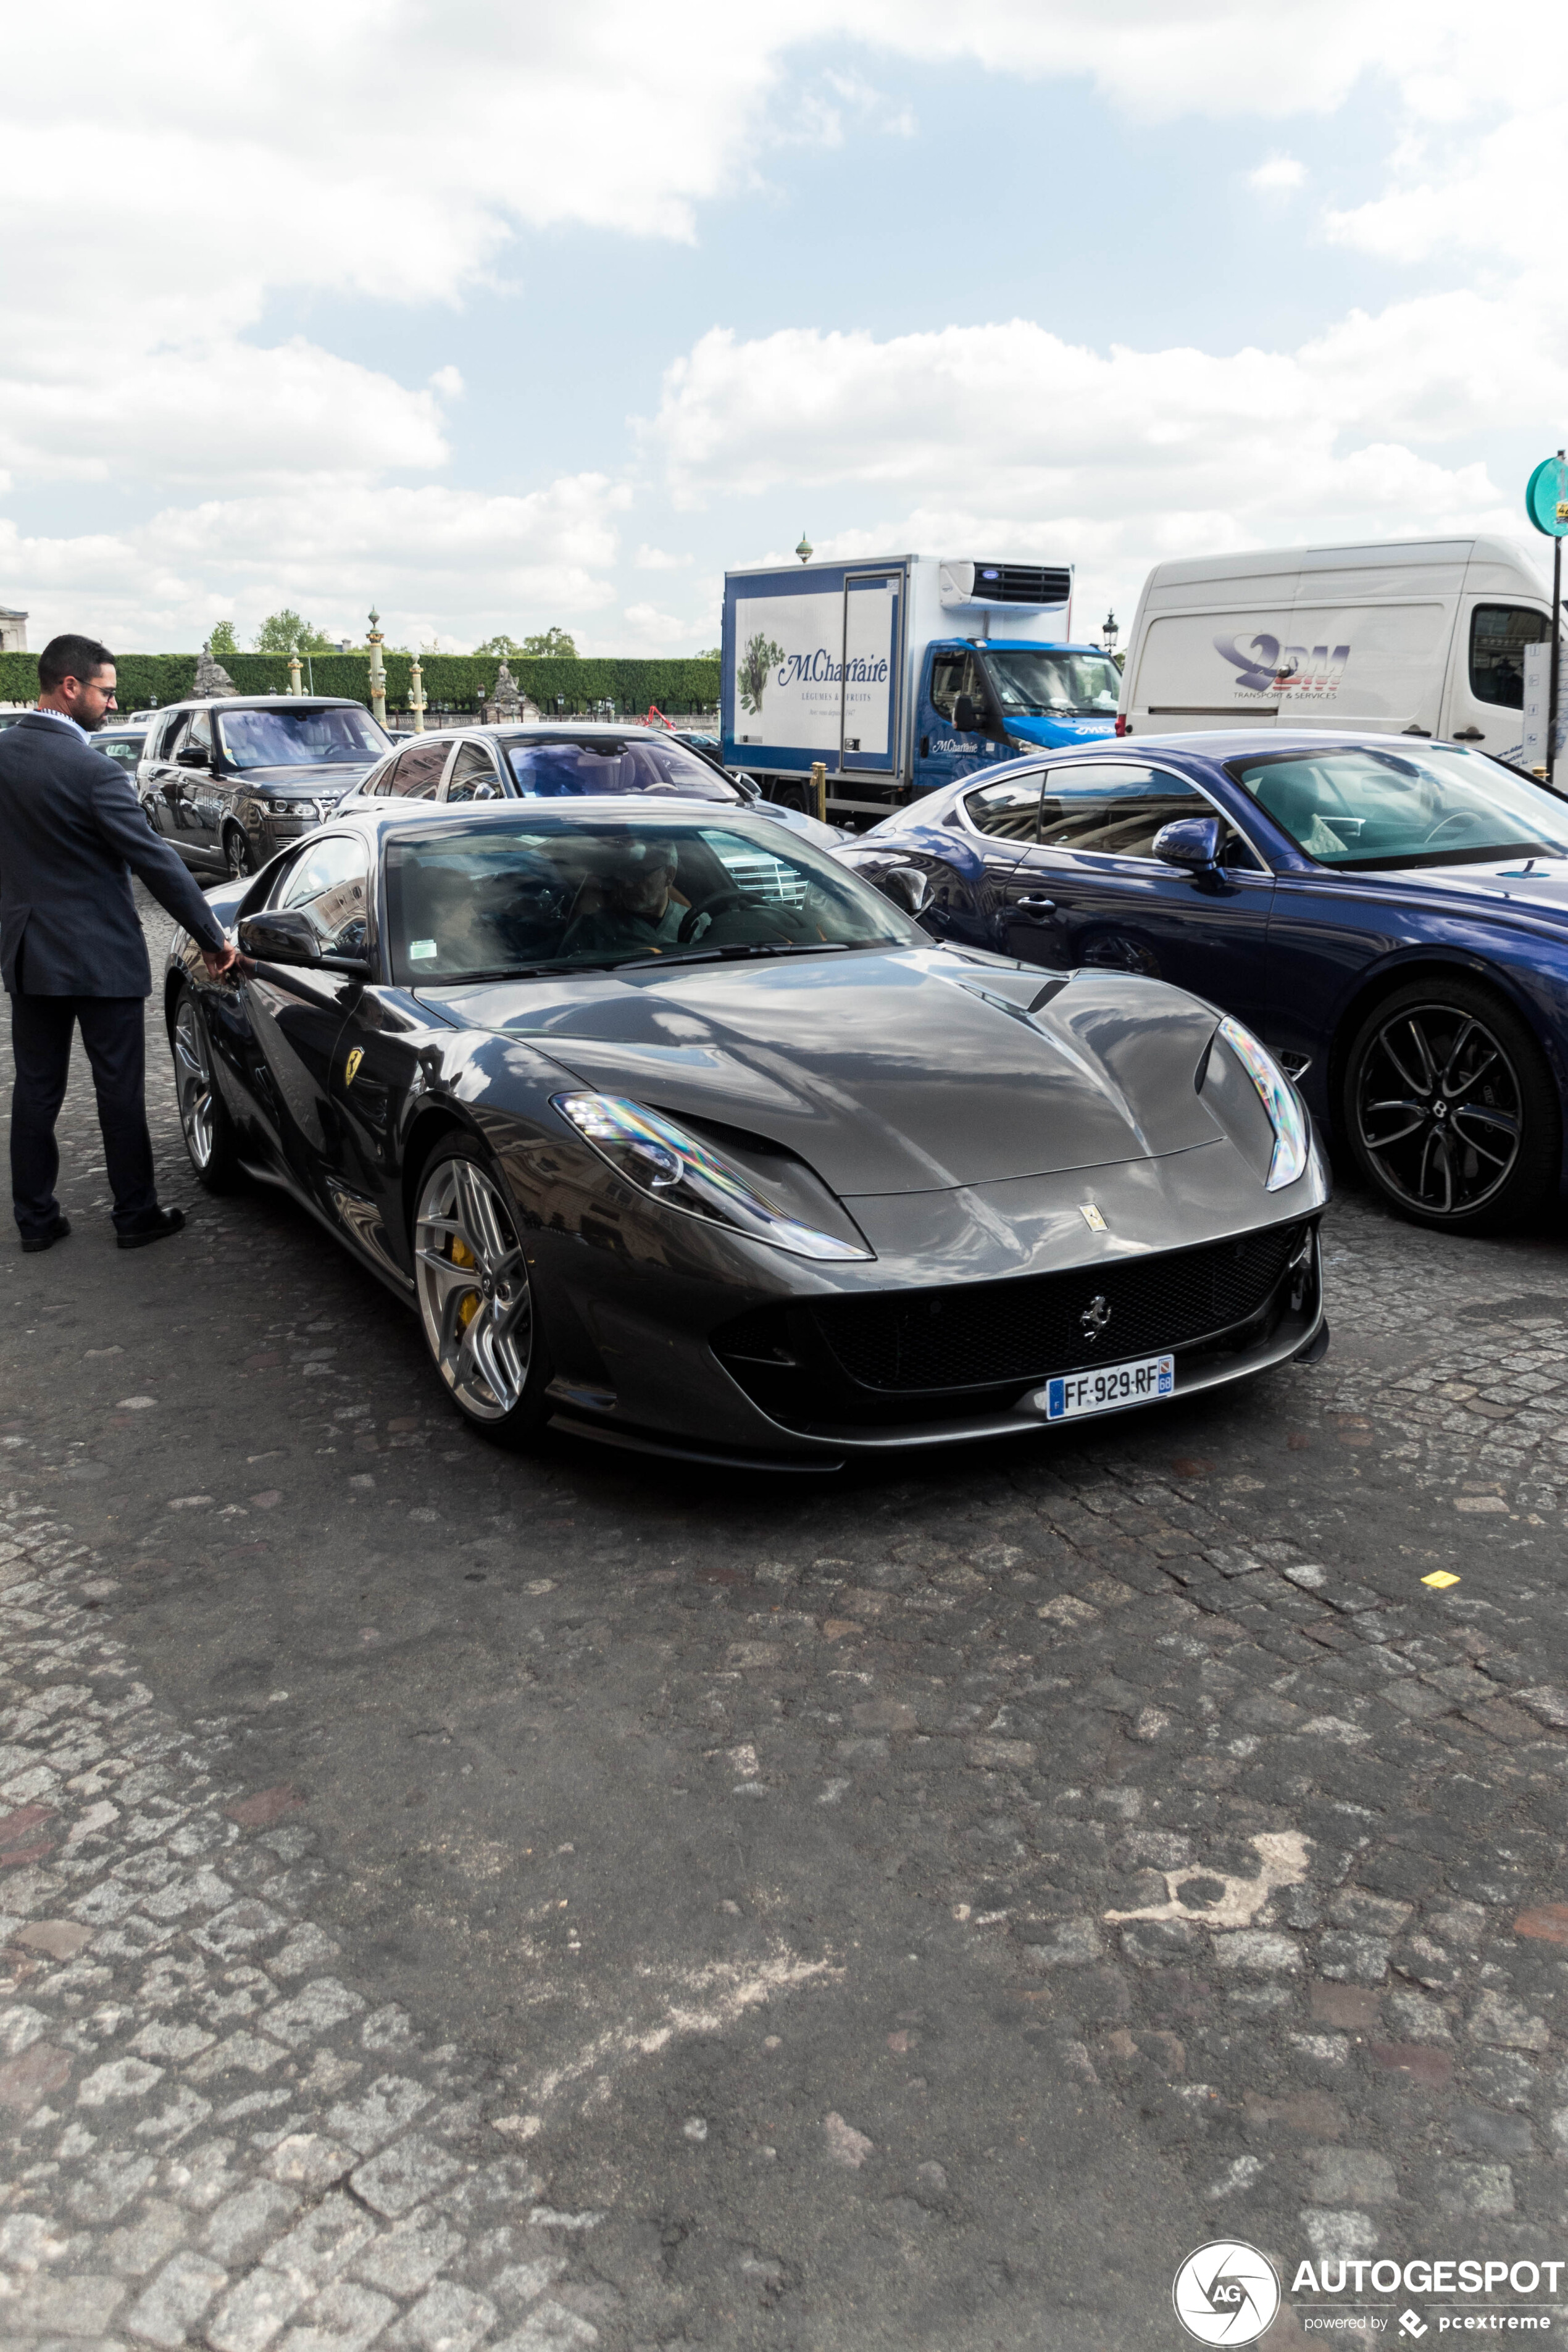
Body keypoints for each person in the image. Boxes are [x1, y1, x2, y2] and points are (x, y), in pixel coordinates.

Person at [0, 633, 241, 1253]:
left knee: (35, 1087)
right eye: (106, 692)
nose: (113, 704)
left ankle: (35, 1221)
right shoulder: (91, 771)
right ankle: (134, 1214)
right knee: (118, 1087)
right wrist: (211, 937)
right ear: (70, 686)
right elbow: (155, 861)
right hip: (101, 952)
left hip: (29, 950)